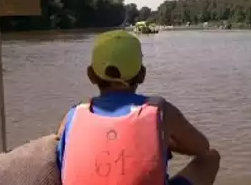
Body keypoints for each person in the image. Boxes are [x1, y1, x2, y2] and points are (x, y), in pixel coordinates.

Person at [55, 30, 220, 185]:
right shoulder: (160, 111)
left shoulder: (73, 116)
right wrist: (164, 140)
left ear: (91, 75)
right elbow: (202, 148)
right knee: (211, 158)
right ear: (142, 74)